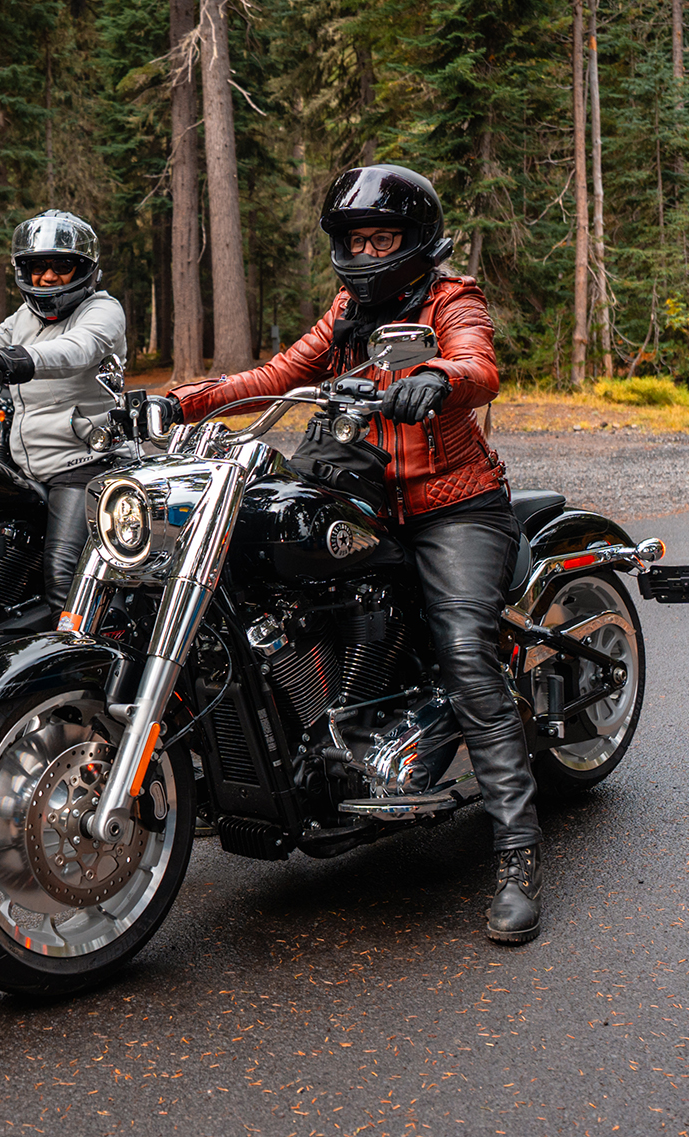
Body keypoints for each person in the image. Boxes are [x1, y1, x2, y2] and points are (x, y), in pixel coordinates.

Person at [167, 164, 543, 945]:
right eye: (356, 238)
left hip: (452, 506)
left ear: (417, 242)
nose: (368, 252)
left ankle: (515, 852)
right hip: (365, 499)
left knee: (469, 652)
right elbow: (276, 375)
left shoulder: (450, 299)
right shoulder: (345, 311)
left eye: (384, 238)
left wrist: (437, 375)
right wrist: (181, 400)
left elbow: (480, 363)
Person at [0, 209, 129, 614]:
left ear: (84, 268)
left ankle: (88, 665)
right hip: (28, 468)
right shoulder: (24, 318)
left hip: (84, 465)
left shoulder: (102, 310)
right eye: (36, 267)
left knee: (63, 576)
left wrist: (9, 361)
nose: (47, 278)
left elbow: (78, 348)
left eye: (61, 266)